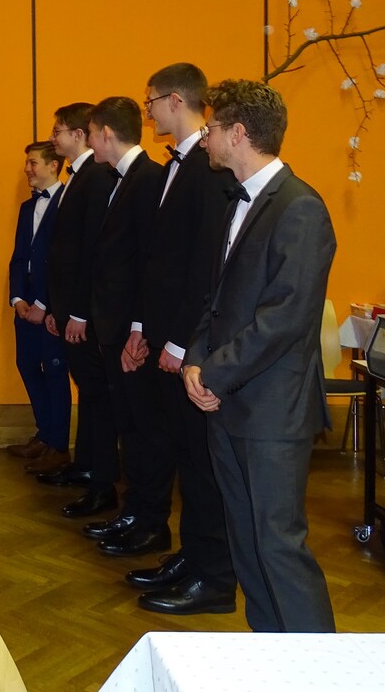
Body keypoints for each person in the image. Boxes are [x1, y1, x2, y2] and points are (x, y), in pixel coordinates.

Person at [184, 79, 336, 632]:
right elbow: (219, 300)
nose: (205, 138)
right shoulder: (240, 200)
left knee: (278, 547)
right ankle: (272, 657)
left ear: (238, 133)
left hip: (272, 410)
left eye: (212, 128)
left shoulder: (301, 208)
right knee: (247, 544)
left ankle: (320, 668)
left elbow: (285, 318)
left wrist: (213, 372)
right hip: (228, 403)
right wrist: (195, 359)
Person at [124, 63, 236, 616]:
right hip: (168, 336)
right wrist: (145, 328)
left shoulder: (208, 168)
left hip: (189, 345)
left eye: (150, 102)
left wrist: (177, 342)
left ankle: (213, 577)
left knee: (201, 463)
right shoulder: (181, 163)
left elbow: (203, 269)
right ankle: (192, 558)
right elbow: (160, 260)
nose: (147, 112)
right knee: (188, 460)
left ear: (174, 100)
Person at [75, 97, 166, 560]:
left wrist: (138, 327)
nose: (89, 141)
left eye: (91, 133)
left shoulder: (148, 179)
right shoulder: (121, 178)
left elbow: (149, 261)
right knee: (129, 427)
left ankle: (150, 521)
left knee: (144, 430)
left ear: (106, 133)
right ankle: (134, 513)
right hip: (113, 326)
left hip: (132, 331)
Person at [36, 104, 118, 497]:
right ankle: (85, 464)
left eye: (59, 131)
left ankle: (100, 476)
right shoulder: (79, 175)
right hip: (69, 307)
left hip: (85, 312)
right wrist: (57, 307)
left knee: (96, 394)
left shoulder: (97, 175)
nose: (54, 138)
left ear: (80, 134)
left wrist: (78, 313)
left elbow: (91, 252)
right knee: (86, 391)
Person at [5, 141, 70, 474]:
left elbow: (63, 262)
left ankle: (58, 445)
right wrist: (17, 298)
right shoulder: (26, 207)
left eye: (33, 163)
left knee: (55, 371)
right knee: (27, 365)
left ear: (53, 165)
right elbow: (19, 257)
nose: (27, 169)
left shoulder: (68, 201)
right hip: (26, 303)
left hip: (52, 305)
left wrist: (44, 304)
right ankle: (44, 435)